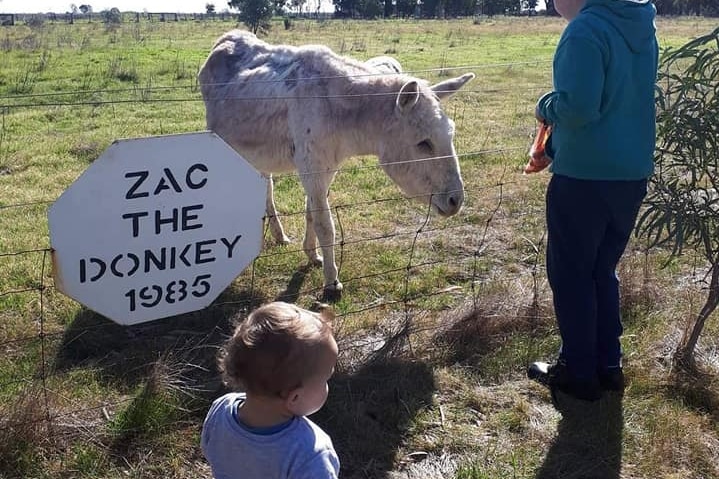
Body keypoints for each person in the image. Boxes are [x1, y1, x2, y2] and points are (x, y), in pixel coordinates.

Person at [526, 0, 659, 403]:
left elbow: (580, 106)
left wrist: (545, 105)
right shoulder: (641, 26)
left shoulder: (585, 31)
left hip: (585, 177)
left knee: (571, 277)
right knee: (602, 271)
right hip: (630, 174)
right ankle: (608, 366)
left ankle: (579, 374)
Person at [201, 301, 340, 478]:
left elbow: (208, 450)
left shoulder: (220, 409)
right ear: (295, 397)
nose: (328, 387)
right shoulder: (311, 452)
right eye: (326, 379)